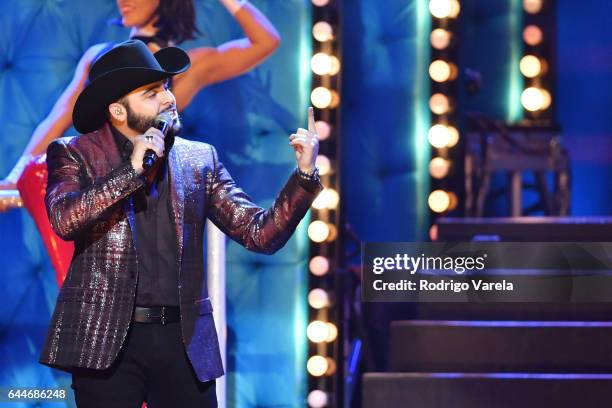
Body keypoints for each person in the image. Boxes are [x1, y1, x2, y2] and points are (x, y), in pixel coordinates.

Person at [40, 39, 321, 407]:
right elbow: (65, 219)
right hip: (106, 341)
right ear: (118, 110)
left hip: (182, 339)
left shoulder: (198, 159)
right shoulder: (75, 153)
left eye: (167, 87)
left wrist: (304, 176)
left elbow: (259, 233)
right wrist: (131, 172)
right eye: (152, 92)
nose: (169, 99)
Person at [0, 0, 281, 189]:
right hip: (93, 189)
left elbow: (266, 41)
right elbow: (58, 119)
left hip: (152, 194)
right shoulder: (97, 56)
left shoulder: (184, 66)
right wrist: (15, 178)